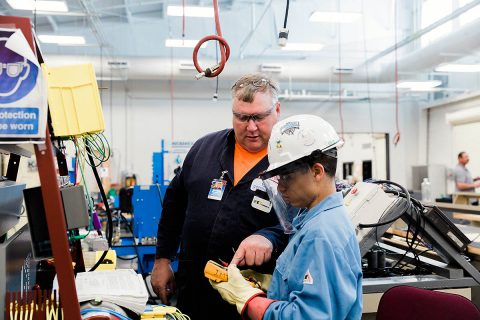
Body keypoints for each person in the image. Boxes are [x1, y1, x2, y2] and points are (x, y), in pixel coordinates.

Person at [151, 73, 288, 319]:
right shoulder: (205, 148)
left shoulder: (291, 161)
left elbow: (306, 223)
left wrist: (271, 237)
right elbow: (174, 203)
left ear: (277, 110)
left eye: (259, 117)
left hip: (251, 300)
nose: (251, 127)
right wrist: (162, 259)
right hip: (193, 292)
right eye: (242, 117)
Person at [211, 114, 363, 319]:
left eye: (287, 177)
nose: (281, 187)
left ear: (317, 171)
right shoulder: (311, 220)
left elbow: (306, 316)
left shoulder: (322, 234)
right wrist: (267, 283)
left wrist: (247, 299)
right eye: (279, 178)